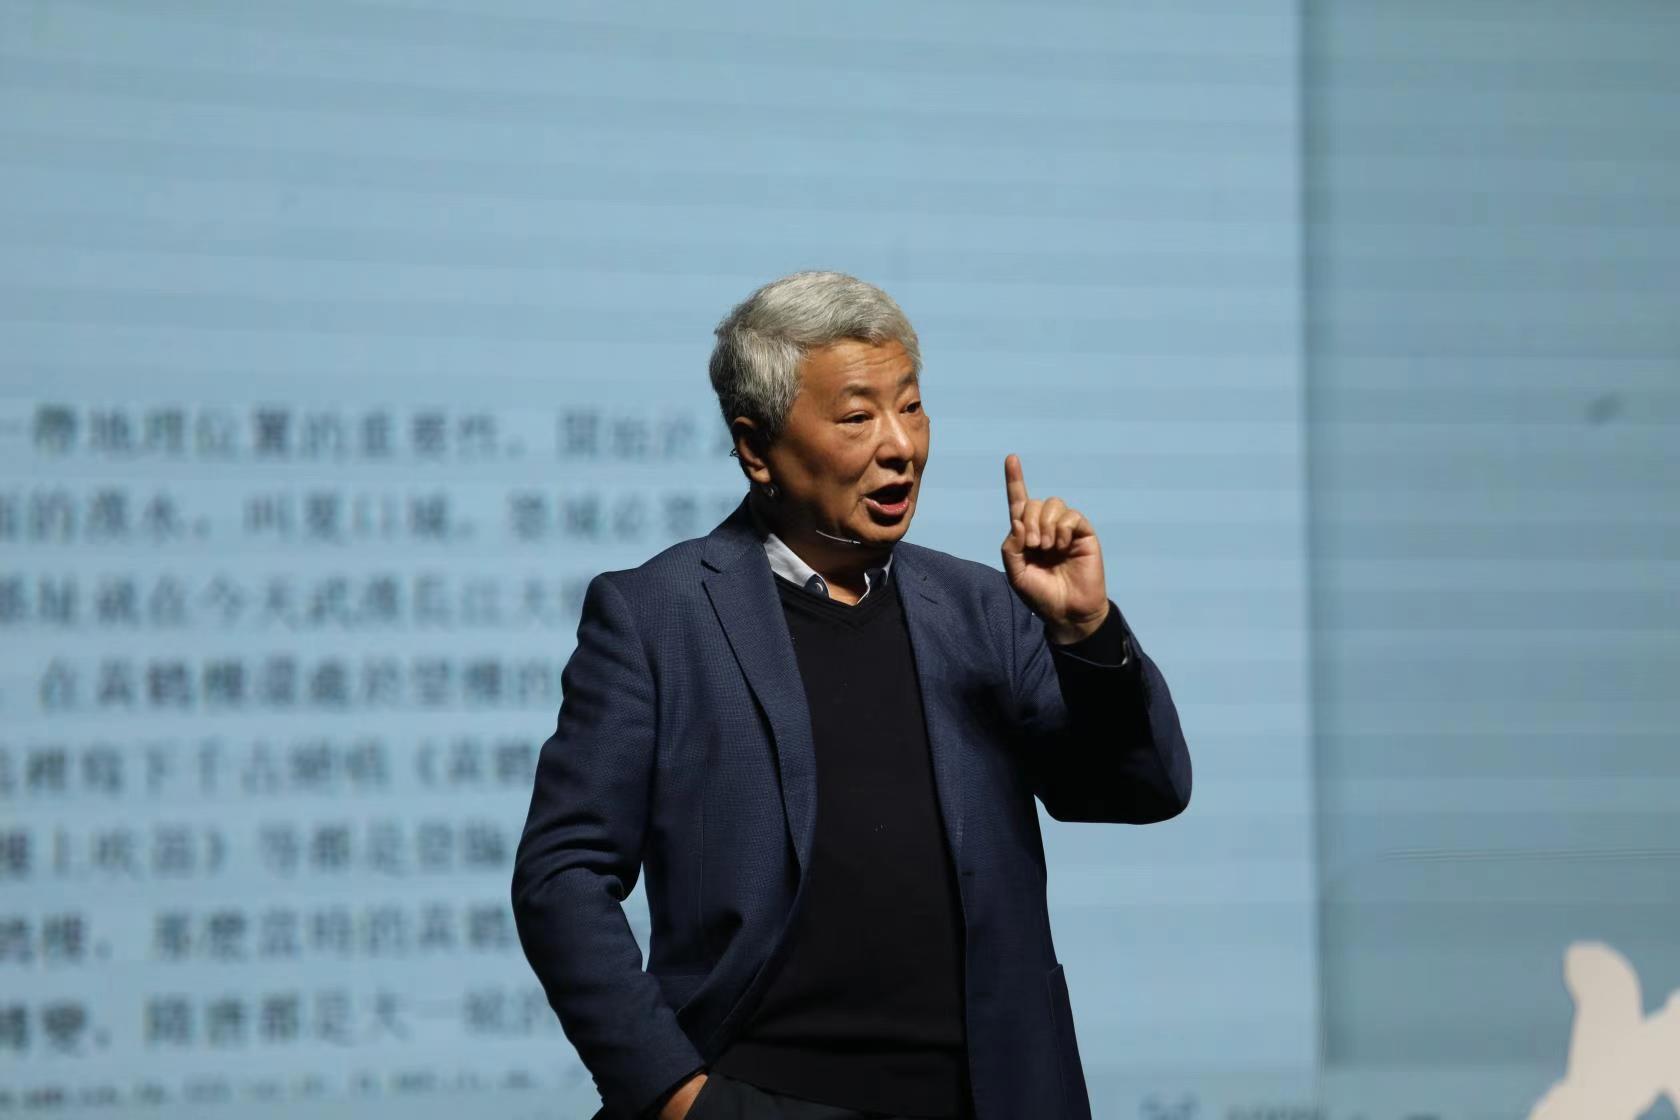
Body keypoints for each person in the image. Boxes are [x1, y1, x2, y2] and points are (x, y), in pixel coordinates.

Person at [511, 271, 1192, 1120]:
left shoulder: (985, 608)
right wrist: (676, 1096)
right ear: (756, 448)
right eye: (858, 417)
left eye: (911, 407)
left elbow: (1141, 789)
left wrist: (1086, 633)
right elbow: (562, 876)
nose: (901, 444)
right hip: (756, 1098)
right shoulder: (657, 616)